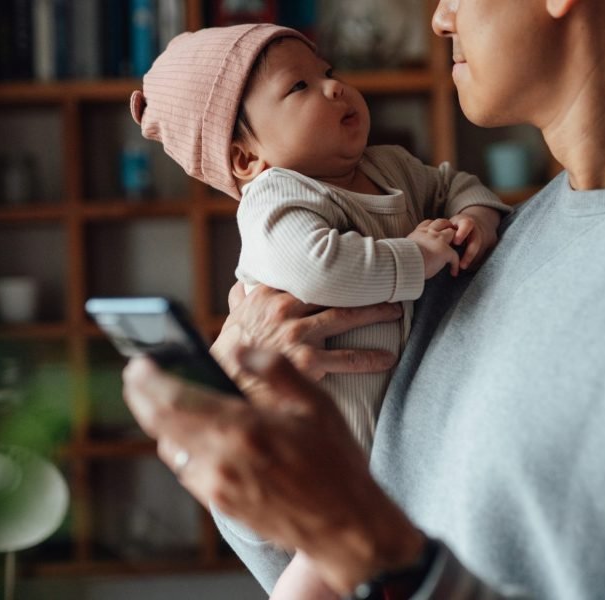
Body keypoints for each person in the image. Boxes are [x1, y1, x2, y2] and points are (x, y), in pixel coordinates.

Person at [122, 0, 605, 598]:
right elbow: (356, 568)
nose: (439, 16)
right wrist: (247, 458)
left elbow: (380, 558)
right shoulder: (495, 242)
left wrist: (369, 545)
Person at [127, 23, 511, 598]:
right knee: (317, 571)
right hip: (322, 444)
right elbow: (319, 269)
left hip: (393, 445)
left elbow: (451, 184)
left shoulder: (391, 167)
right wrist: (418, 257)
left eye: (327, 73)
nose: (333, 89)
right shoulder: (276, 199)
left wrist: (477, 214)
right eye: (299, 88)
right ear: (245, 156)